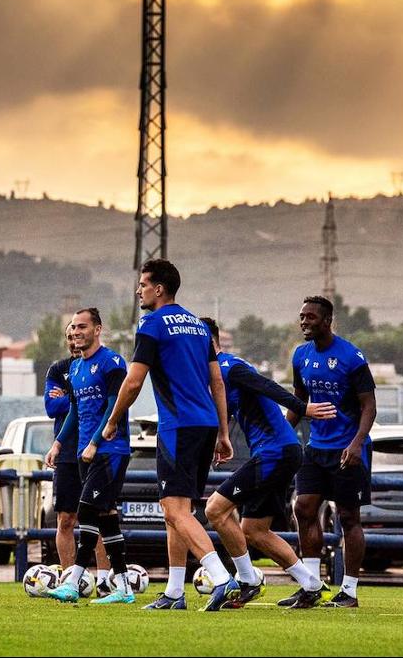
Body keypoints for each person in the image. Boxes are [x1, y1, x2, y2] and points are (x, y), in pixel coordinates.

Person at [100, 259, 240, 612]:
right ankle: (175, 592)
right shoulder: (196, 325)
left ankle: (222, 578)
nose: (138, 291)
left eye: (143, 284)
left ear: (158, 289)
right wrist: (224, 433)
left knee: (174, 509)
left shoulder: (152, 324)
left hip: (178, 426)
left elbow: (133, 381)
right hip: (207, 424)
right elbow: (217, 382)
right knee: (177, 512)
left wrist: (113, 420)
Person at [198, 318, 334, 609]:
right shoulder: (213, 375)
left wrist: (303, 408)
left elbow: (268, 386)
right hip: (277, 452)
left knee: (215, 508)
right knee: (254, 530)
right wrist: (220, 442)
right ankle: (311, 585)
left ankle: (247, 580)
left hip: (276, 452)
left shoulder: (231, 367)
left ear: (207, 341)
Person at [284, 295, 377, 609]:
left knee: (348, 518)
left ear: (327, 321)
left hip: (347, 449)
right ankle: (311, 586)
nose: (304, 322)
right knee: (304, 509)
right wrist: (283, 433)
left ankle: (349, 591)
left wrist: (356, 444)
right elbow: (299, 400)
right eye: (302, 317)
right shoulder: (300, 356)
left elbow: (369, 407)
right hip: (316, 448)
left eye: (310, 317)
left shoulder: (351, 356)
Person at [44, 308, 135, 605]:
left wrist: (96, 441)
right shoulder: (76, 369)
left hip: (111, 450)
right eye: (72, 327)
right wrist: (58, 444)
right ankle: (123, 588)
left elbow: (114, 407)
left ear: (98, 329)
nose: (75, 332)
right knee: (107, 518)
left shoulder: (111, 362)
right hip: (84, 453)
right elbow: (73, 409)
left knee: (86, 512)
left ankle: (73, 581)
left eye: (82, 326)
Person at [45, 328, 112, 591]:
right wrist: (79, 399)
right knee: (66, 519)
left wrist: (74, 397)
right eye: (70, 338)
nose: (74, 342)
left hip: (92, 451)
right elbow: (51, 408)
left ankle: (105, 578)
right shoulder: (58, 369)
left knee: (95, 516)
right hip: (67, 455)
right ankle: (70, 577)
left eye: (78, 336)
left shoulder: (103, 364)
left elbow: (103, 404)